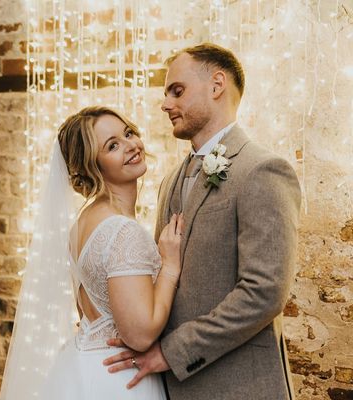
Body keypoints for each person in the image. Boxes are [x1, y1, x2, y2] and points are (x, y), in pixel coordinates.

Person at [103, 43, 301, 400]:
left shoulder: (262, 170)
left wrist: (172, 352)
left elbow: (264, 292)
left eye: (177, 91)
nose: (165, 104)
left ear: (216, 85)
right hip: (170, 388)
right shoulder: (168, 181)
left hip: (238, 387)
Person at [0, 106, 184, 400]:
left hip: (81, 366)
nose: (130, 145)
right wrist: (170, 266)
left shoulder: (83, 222)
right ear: (92, 166)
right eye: (112, 146)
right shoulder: (122, 230)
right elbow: (140, 335)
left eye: (128, 133)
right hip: (118, 379)